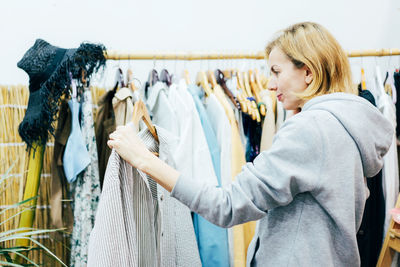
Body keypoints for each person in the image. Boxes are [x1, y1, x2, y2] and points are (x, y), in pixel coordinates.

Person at [107, 22, 393, 266]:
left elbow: (227, 205)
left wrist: (145, 159)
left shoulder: (310, 130)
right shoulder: (348, 126)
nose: (269, 84)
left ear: (308, 72)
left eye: (276, 72)